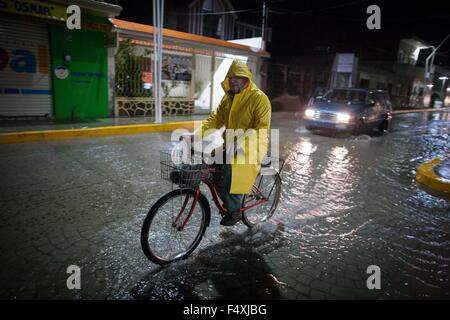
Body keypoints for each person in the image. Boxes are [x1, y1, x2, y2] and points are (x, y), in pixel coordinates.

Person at [196, 60, 271, 226]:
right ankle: (227, 197)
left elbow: (262, 129)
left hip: (252, 146)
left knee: (231, 170)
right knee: (211, 165)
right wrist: (195, 136)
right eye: (231, 77)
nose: (234, 80)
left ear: (246, 80)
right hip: (231, 144)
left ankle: (235, 210)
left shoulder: (259, 98)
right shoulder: (228, 98)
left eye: (239, 77)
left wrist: (242, 145)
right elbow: (215, 119)